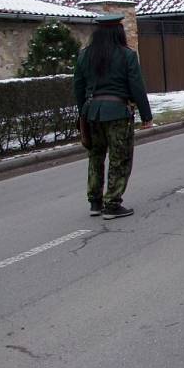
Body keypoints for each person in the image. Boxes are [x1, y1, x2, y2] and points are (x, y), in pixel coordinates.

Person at [73, 14, 153, 219]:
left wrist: (83, 113)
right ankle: (112, 203)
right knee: (120, 158)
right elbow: (137, 86)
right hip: (117, 113)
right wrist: (146, 115)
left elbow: (78, 88)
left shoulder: (85, 54)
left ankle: (95, 201)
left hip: (92, 113)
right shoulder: (127, 55)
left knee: (96, 156)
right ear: (118, 32)